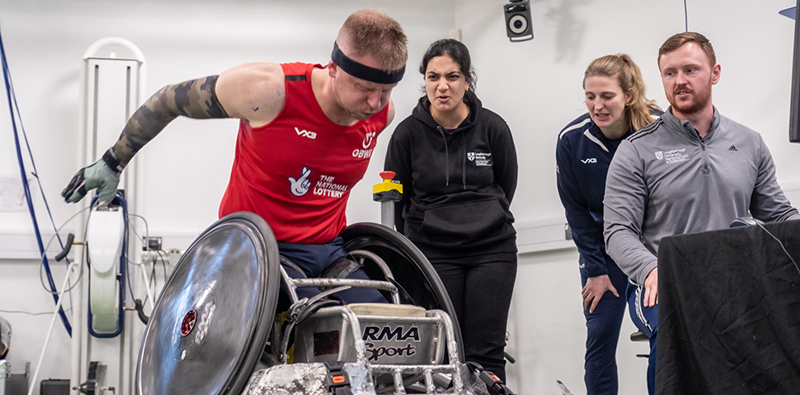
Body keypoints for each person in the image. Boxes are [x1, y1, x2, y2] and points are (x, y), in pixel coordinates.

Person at [61, 9, 408, 305]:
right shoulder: (269, 91)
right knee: (306, 331)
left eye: (385, 91)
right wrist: (112, 161)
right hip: (254, 248)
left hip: (327, 251)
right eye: (364, 88)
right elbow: (168, 100)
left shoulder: (380, 115)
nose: (375, 103)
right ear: (333, 68)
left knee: (378, 328)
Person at [603, 32, 800, 395]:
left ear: (715, 73)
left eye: (690, 69)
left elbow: (777, 214)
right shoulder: (636, 152)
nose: (679, 81)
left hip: (737, 283)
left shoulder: (749, 141)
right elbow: (617, 231)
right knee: (673, 343)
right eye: (669, 73)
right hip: (665, 287)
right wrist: (651, 270)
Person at [383, 38, 518, 381]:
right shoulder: (407, 134)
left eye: (453, 76)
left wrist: (484, 217)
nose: (442, 86)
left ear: (467, 80)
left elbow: (505, 186)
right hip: (433, 254)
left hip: (492, 250)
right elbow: (398, 201)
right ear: (424, 80)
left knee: (486, 351)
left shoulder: (492, 127)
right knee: (441, 350)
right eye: (433, 77)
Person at [556, 54, 661, 395]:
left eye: (607, 96)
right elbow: (576, 211)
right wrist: (597, 270)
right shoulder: (572, 140)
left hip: (651, 251)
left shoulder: (660, 128)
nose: (597, 106)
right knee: (600, 336)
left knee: (663, 330)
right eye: (590, 96)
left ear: (628, 95)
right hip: (602, 254)